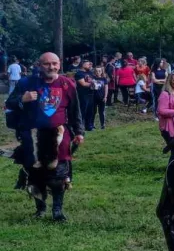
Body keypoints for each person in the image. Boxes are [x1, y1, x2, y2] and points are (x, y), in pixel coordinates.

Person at [5, 52, 84, 221]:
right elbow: (9, 103)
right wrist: (22, 99)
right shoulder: (26, 83)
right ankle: (40, 209)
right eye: (47, 64)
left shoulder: (67, 84)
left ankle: (57, 211)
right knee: (35, 174)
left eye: (54, 63)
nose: (51, 67)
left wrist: (79, 132)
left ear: (59, 64)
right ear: (39, 65)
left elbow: (75, 111)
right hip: (33, 137)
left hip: (59, 136)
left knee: (59, 175)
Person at [74, 60, 96, 131]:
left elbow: (94, 80)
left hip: (91, 94)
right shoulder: (79, 73)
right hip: (83, 95)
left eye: (90, 64)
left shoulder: (90, 72)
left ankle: (88, 126)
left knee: (90, 111)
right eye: (88, 64)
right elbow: (83, 84)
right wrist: (93, 84)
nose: (89, 65)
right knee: (83, 111)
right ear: (83, 65)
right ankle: (80, 127)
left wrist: (96, 83)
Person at [90, 65, 109, 130]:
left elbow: (106, 88)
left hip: (102, 97)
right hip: (94, 98)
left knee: (102, 112)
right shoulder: (93, 78)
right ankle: (92, 125)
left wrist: (105, 96)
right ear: (95, 72)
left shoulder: (104, 79)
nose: (98, 72)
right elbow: (91, 87)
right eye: (96, 71)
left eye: (99, 71)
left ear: (101, 71)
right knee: (93, 112)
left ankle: (102, 125)